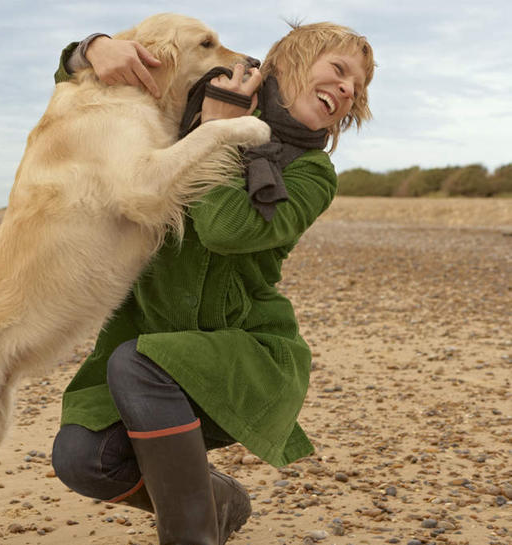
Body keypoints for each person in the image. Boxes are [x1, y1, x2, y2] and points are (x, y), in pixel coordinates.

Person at [50, 20, 375, 545]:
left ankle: (191, 536)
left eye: (356, 88)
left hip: (244, 352)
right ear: (287, 63)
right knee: (81, 460)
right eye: (338, 70)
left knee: (138, 362)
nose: (346, 88)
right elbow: (84, 91)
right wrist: (92, 49)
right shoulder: (201, 98)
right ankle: (216, 497)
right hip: (148, 338)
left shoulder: (313, 172)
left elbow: (227, 230)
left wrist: (213, 135)